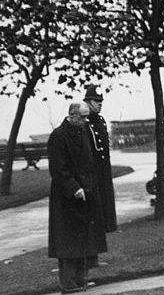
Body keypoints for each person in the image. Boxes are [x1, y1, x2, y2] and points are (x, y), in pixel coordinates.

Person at [48, 101, 106, 294]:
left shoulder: (82, 132)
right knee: (68, 241)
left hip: (86, 192)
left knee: (85, 238)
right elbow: (58, 168)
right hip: (67, 197)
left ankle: (81, 278)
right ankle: (68, 282)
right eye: (82, 116)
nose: (85, 120)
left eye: (86, 116)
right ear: (72, 115)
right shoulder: (58, 136)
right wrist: (74, 187)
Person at [82, 85, 116, 273]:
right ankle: (90, 257)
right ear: (87, 102)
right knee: (92, 216)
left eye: (101, 102)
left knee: (101, 216)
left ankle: (95, 256)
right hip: (92, 175)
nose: (99, 105)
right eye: (96, 101)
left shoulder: (100, 121)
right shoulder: (85, 123)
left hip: (102, 175)